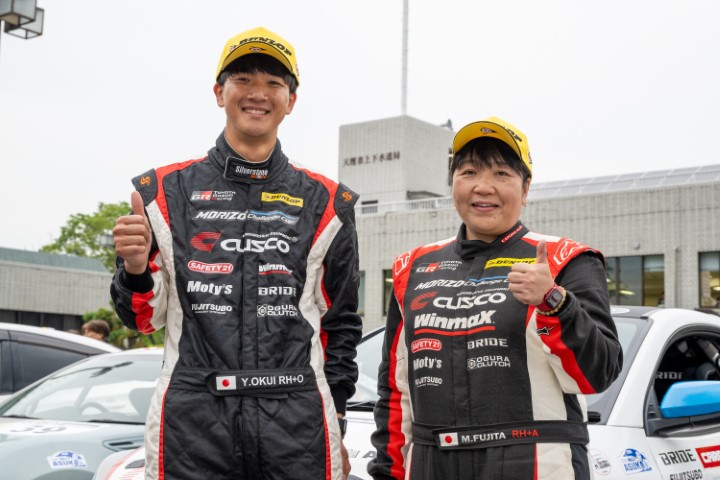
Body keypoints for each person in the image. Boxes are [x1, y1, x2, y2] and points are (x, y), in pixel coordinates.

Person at [110, 26, 362, 480]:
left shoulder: (328, 202)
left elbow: (340, 323)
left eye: (273, 83)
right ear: (219, 92)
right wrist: (134, 269)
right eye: (243, 79)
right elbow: (142, 319)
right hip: (192, 418)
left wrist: (337, 416)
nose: (257, 94)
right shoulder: (162, 193)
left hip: (298, 418)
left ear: (291, 100)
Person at [368, 117, 623, 480]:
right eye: (469, 172)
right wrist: (386, 472)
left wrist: (554, 301)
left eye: (501, 173)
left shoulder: (567, 259)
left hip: (533, 460)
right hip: (432, 462)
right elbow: (395, 391)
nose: (483, 187)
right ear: (452, 183)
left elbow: (597, 375)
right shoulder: (413, 267)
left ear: (526, 187)